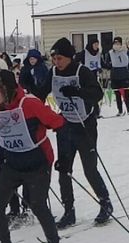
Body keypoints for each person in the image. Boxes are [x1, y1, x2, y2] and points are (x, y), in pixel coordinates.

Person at [0, 68, 65, 243]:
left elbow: (58, 123)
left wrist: (65, 157)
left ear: (8, 88)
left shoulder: (29, 103)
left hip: (38, 162)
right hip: (13, 164)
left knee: (37, 204)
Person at [47, 37, 113, 228]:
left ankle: (105, 203)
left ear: (69, 57)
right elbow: (40, 91)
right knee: (63, 170)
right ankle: (69, 211)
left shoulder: (81, 71)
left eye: (59, 58)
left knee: (89, 169)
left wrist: (77, 91)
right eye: (54, 58)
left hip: (85, 125)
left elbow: (97, 94)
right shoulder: (52, 72)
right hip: (65, 125)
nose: (56, 62)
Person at [107, 38, 129, 116]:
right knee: (117, 93)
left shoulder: (125, 51)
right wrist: (109, 65)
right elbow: (108, 63)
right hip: (115, 74)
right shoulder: (110, 52)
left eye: (118, 44)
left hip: (124, 73)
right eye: (115, 44)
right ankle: (120, 110)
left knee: (126, 93)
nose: (117, 46)